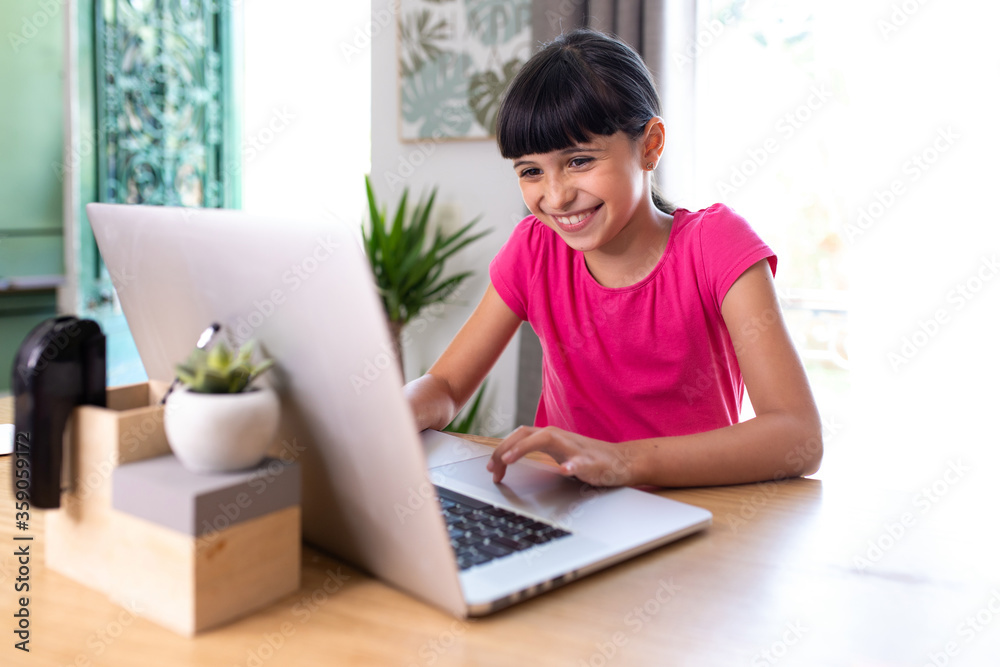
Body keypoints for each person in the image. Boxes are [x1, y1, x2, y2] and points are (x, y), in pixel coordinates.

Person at [403, 29, 822, 488]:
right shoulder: (534, 250)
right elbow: (444, 387)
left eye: (580, 160)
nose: (557, 197)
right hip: (570, 510)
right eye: (531, 172)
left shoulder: (715, 245)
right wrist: (391, 413)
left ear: (650, 145)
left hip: (703, 513)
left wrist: (624, 462)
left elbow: (797, 435)